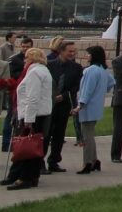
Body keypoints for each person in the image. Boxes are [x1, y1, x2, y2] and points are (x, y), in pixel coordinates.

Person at [3, 48, 52, 191]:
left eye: (26, 58)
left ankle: (24, 178)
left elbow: (32, 97)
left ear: (32, 58)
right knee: (34, 148)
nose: (24, 60)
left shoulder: (34, 72)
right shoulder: (42, 70)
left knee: (27, 148)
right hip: (40, 114)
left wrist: (28, 120)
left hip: (33, 115)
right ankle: (31, 176)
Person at [71, 45, 113, 175]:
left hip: (88, 106)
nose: (86, 56)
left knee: (87, 136)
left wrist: (79, 106)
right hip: (97, 105)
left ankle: (87, 162)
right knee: (90, 133)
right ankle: (94, 160)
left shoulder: (91, 70)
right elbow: (111, 83)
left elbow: (86, 90)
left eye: (88, 54)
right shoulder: (104, 69)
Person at [46, 39, 80, 173]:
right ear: (61, 51)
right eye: (69, 51)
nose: (72, 54)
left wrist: (64, 96)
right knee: (46, 134)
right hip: (49, 105)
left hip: (64, 105)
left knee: (59, 135)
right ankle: (39, 162)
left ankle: (54, 161)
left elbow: (76, 86)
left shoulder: (76, 67)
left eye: (74, 51)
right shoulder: (49, 65)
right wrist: (52, 95)